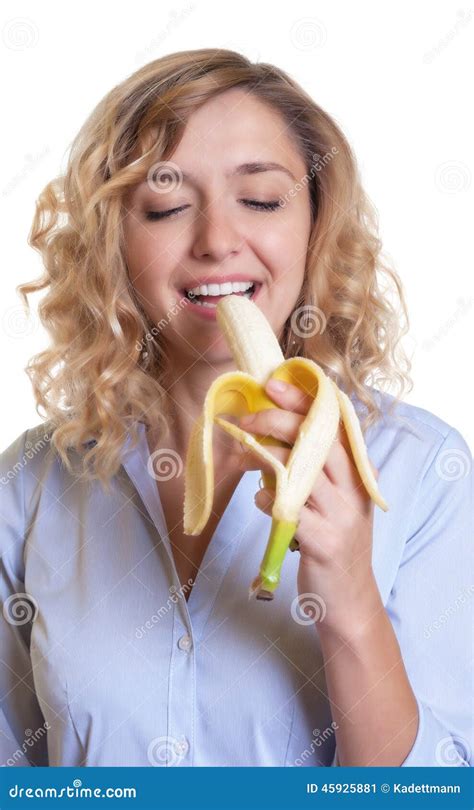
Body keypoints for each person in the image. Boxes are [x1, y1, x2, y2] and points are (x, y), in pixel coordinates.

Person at [1, 48, 472, 768]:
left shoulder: (425, 473)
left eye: (260, 200)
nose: (218, 241)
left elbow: (437, 789)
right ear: (111, 245)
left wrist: (349, 599)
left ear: (317, 224)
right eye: (164, 207)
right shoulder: (32, 486)